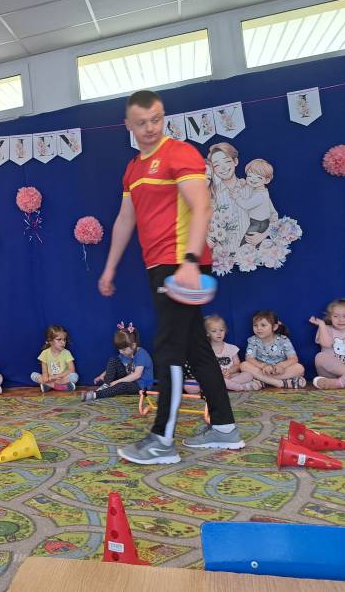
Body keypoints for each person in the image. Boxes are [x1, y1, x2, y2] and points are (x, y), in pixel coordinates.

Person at [99, 89, 242, 465]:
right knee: (195, 346)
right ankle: (224, 427)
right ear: (128, 125)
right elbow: (125, 219)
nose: (150, 128)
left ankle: (162, 440)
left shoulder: (180, 153)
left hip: (182, 264)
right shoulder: (133, 169)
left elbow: (202, 206)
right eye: (141, 122)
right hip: (159, 265)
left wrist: (191, 261)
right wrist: (110, 267)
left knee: (168, 348)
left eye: (156, 119)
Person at [83, 326, 153, 402]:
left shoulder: (141, 354)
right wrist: (102, 375)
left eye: (124, 349)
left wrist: (118, 381)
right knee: (113, 360)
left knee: (123, 385)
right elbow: (114, 365)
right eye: (119, 349)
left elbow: (137, 375)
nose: (121, 352)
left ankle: (96, 395)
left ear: (133, 345)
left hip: (141, 386)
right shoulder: (124, 354)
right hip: (128, 379)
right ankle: (107, 385)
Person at [239, 310, 306, 388]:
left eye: (263, 325)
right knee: (243, 365)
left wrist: (281, 366)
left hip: (280, 371)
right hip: (262, 370)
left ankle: (265, 381)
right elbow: (249, 358)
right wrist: (263, 366)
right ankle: (279, 383)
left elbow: (293, 358)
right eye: (255, 325)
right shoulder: (253, 340)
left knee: (299, 368)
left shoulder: (283, 339)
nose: (258, 328)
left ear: (274, 327)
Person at [204, 315, 261, 391]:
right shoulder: (206, 351)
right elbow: (205, 368)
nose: (219, 333)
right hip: (216, 377)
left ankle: (225, 386)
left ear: (225, 331)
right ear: (207, 333)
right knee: (209, 379)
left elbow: (238, 365)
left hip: (232, 376)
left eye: (221, 330)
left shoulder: (231, 348)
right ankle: (241, 387)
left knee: (248, 375)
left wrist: (229, 371)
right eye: (214, 331)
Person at [232, 159, 276, 245]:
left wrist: (237, 197)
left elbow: (246, 205)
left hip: (257, 223)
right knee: (254, 245)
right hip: (263, 222)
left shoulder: (259, 195)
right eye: (249, 176)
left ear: (267, 180)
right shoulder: (262, 191)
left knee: (246, 243)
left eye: (259, 177)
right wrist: (244, 182)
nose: (252, 179)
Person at [31, 325, 78, 391]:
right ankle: (60, 387)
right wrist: (45, 377)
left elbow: (72, 370)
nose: (63, 342)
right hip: (50, 378)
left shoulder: (67, 353)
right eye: (59, 339)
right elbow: (44, 371)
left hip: (62, 378)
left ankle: (49, 385)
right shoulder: (45, 353)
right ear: (50, 341)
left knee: (74, 376)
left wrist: (56, 376)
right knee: (33, 375)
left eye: (64, 339)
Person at [311, 299, 345, 389]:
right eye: (336, 316)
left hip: (333, 379)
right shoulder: (326, 328)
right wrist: (322, 325)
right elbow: (326, 344)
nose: (341, 320)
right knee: (320, 357)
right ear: (330, 317)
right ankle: (340, 381)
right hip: (329, 373)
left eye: (344, 316)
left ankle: (337, 383)